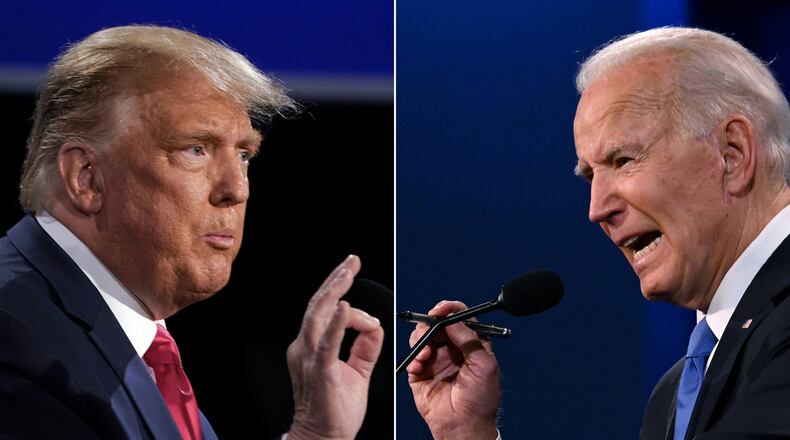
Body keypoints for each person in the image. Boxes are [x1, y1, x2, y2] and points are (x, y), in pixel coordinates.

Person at [0, 25, 385, 439]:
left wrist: (314, 435)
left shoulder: (124, 336)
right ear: (87, 178)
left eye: (243, 154)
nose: (235, 189)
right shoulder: (14, 337)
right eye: (195, 149)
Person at [407, 27, 790, 439]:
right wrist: (469, 433)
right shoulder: (676, 392)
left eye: (623, 160)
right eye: (589, 175)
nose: (596, 209)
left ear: (732, 155)